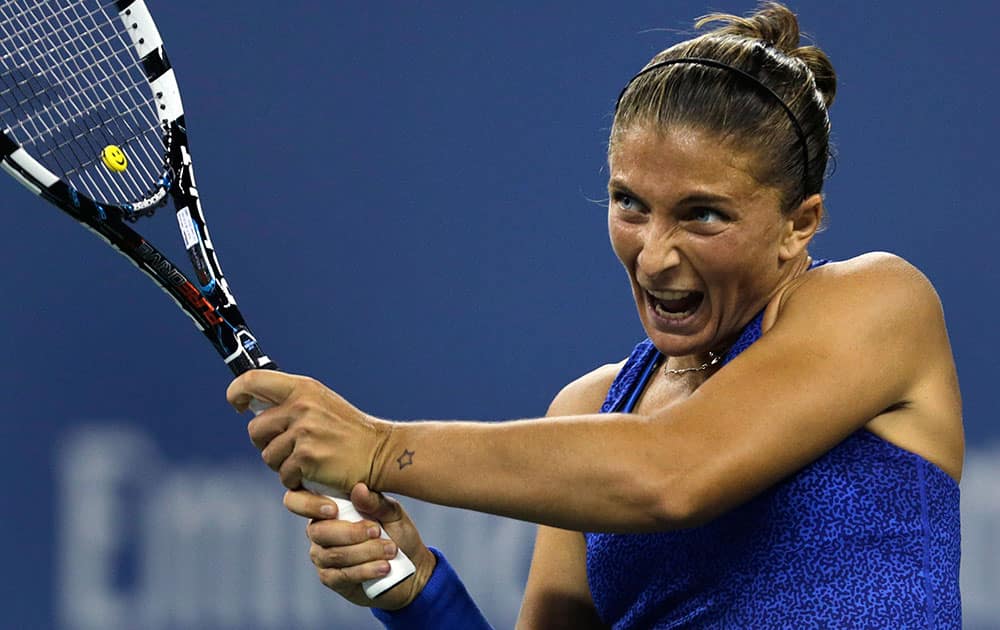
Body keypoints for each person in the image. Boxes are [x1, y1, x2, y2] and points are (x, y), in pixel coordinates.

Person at [227, 3, 963, 628]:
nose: (654, 257)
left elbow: (671, 472)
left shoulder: (880, 304)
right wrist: (414, 587)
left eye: (702, 215)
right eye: (630, 206)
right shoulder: (589, 412)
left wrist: (382, 450)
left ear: (799, 225)